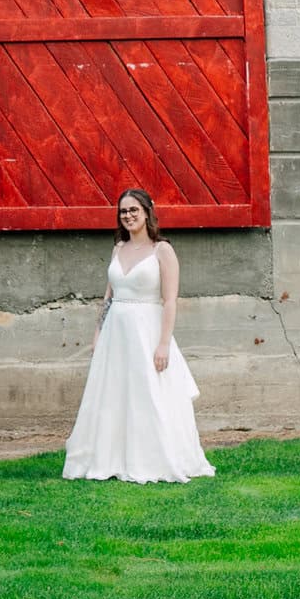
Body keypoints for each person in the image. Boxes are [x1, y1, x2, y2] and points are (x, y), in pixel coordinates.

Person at [62, 188, 215, 483]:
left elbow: (170, 300)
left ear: (147, 212)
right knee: (112, 395)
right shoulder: (118, 249)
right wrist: (98, 333)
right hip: (115, 334)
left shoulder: (162, 251)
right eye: (123, 211)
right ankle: (109, 456)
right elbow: (108, 296)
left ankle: (152, 457)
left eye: (134, 210)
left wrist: (163, 343)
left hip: (148, 330)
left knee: (149, 393)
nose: (128, 216)